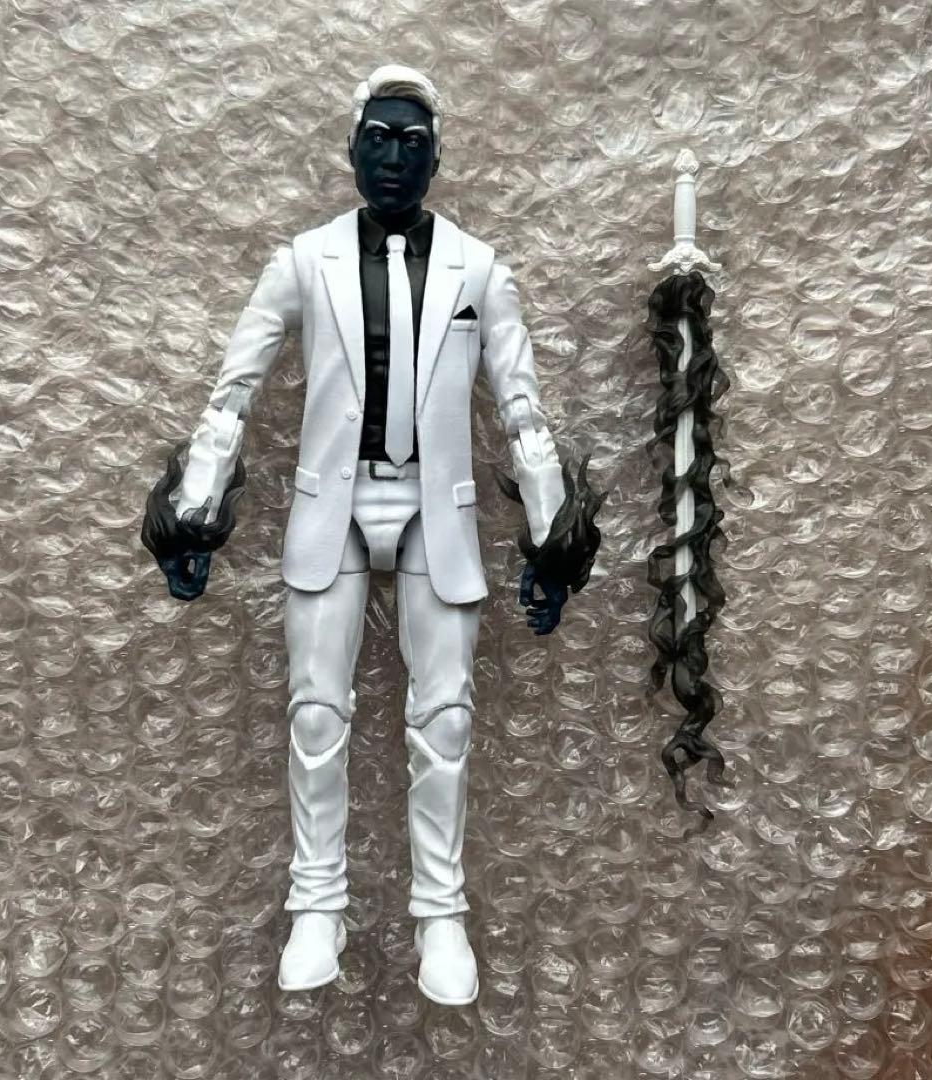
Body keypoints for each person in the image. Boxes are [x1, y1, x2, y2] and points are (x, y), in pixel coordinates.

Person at [142, 64, 601, 1005]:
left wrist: (552, 537)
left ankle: (441, 915)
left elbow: (522, 408)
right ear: (352, 147)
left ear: (437, 157)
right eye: (378, 138)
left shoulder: (480, 269)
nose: (394, 157)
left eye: (412, 142)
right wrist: (194, 511)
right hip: (334, 502)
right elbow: (234, 392)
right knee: (316, 710)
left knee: (446, 715)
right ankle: (317, 904)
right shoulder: (303, 260)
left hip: (438, 505)